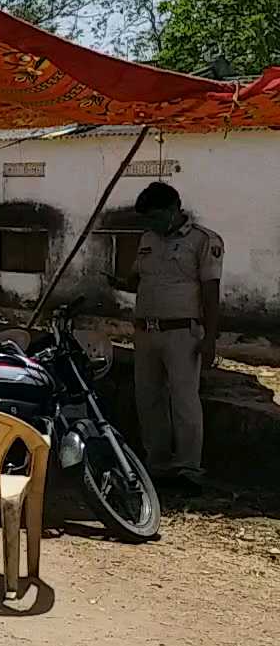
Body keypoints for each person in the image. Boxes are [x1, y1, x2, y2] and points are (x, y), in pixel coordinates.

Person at [107, 181, 221, 495]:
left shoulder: (202, 241)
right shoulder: (147, 239)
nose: (153, 224)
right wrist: (118, 282)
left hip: (182, 332)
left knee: (184, 400)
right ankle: (156, 465)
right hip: (146, 331)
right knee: (148, 399)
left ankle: (188, 469)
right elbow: (137, 280)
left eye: (157, 216)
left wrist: (210, 338)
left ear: (174, 209)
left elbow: (211, 293)